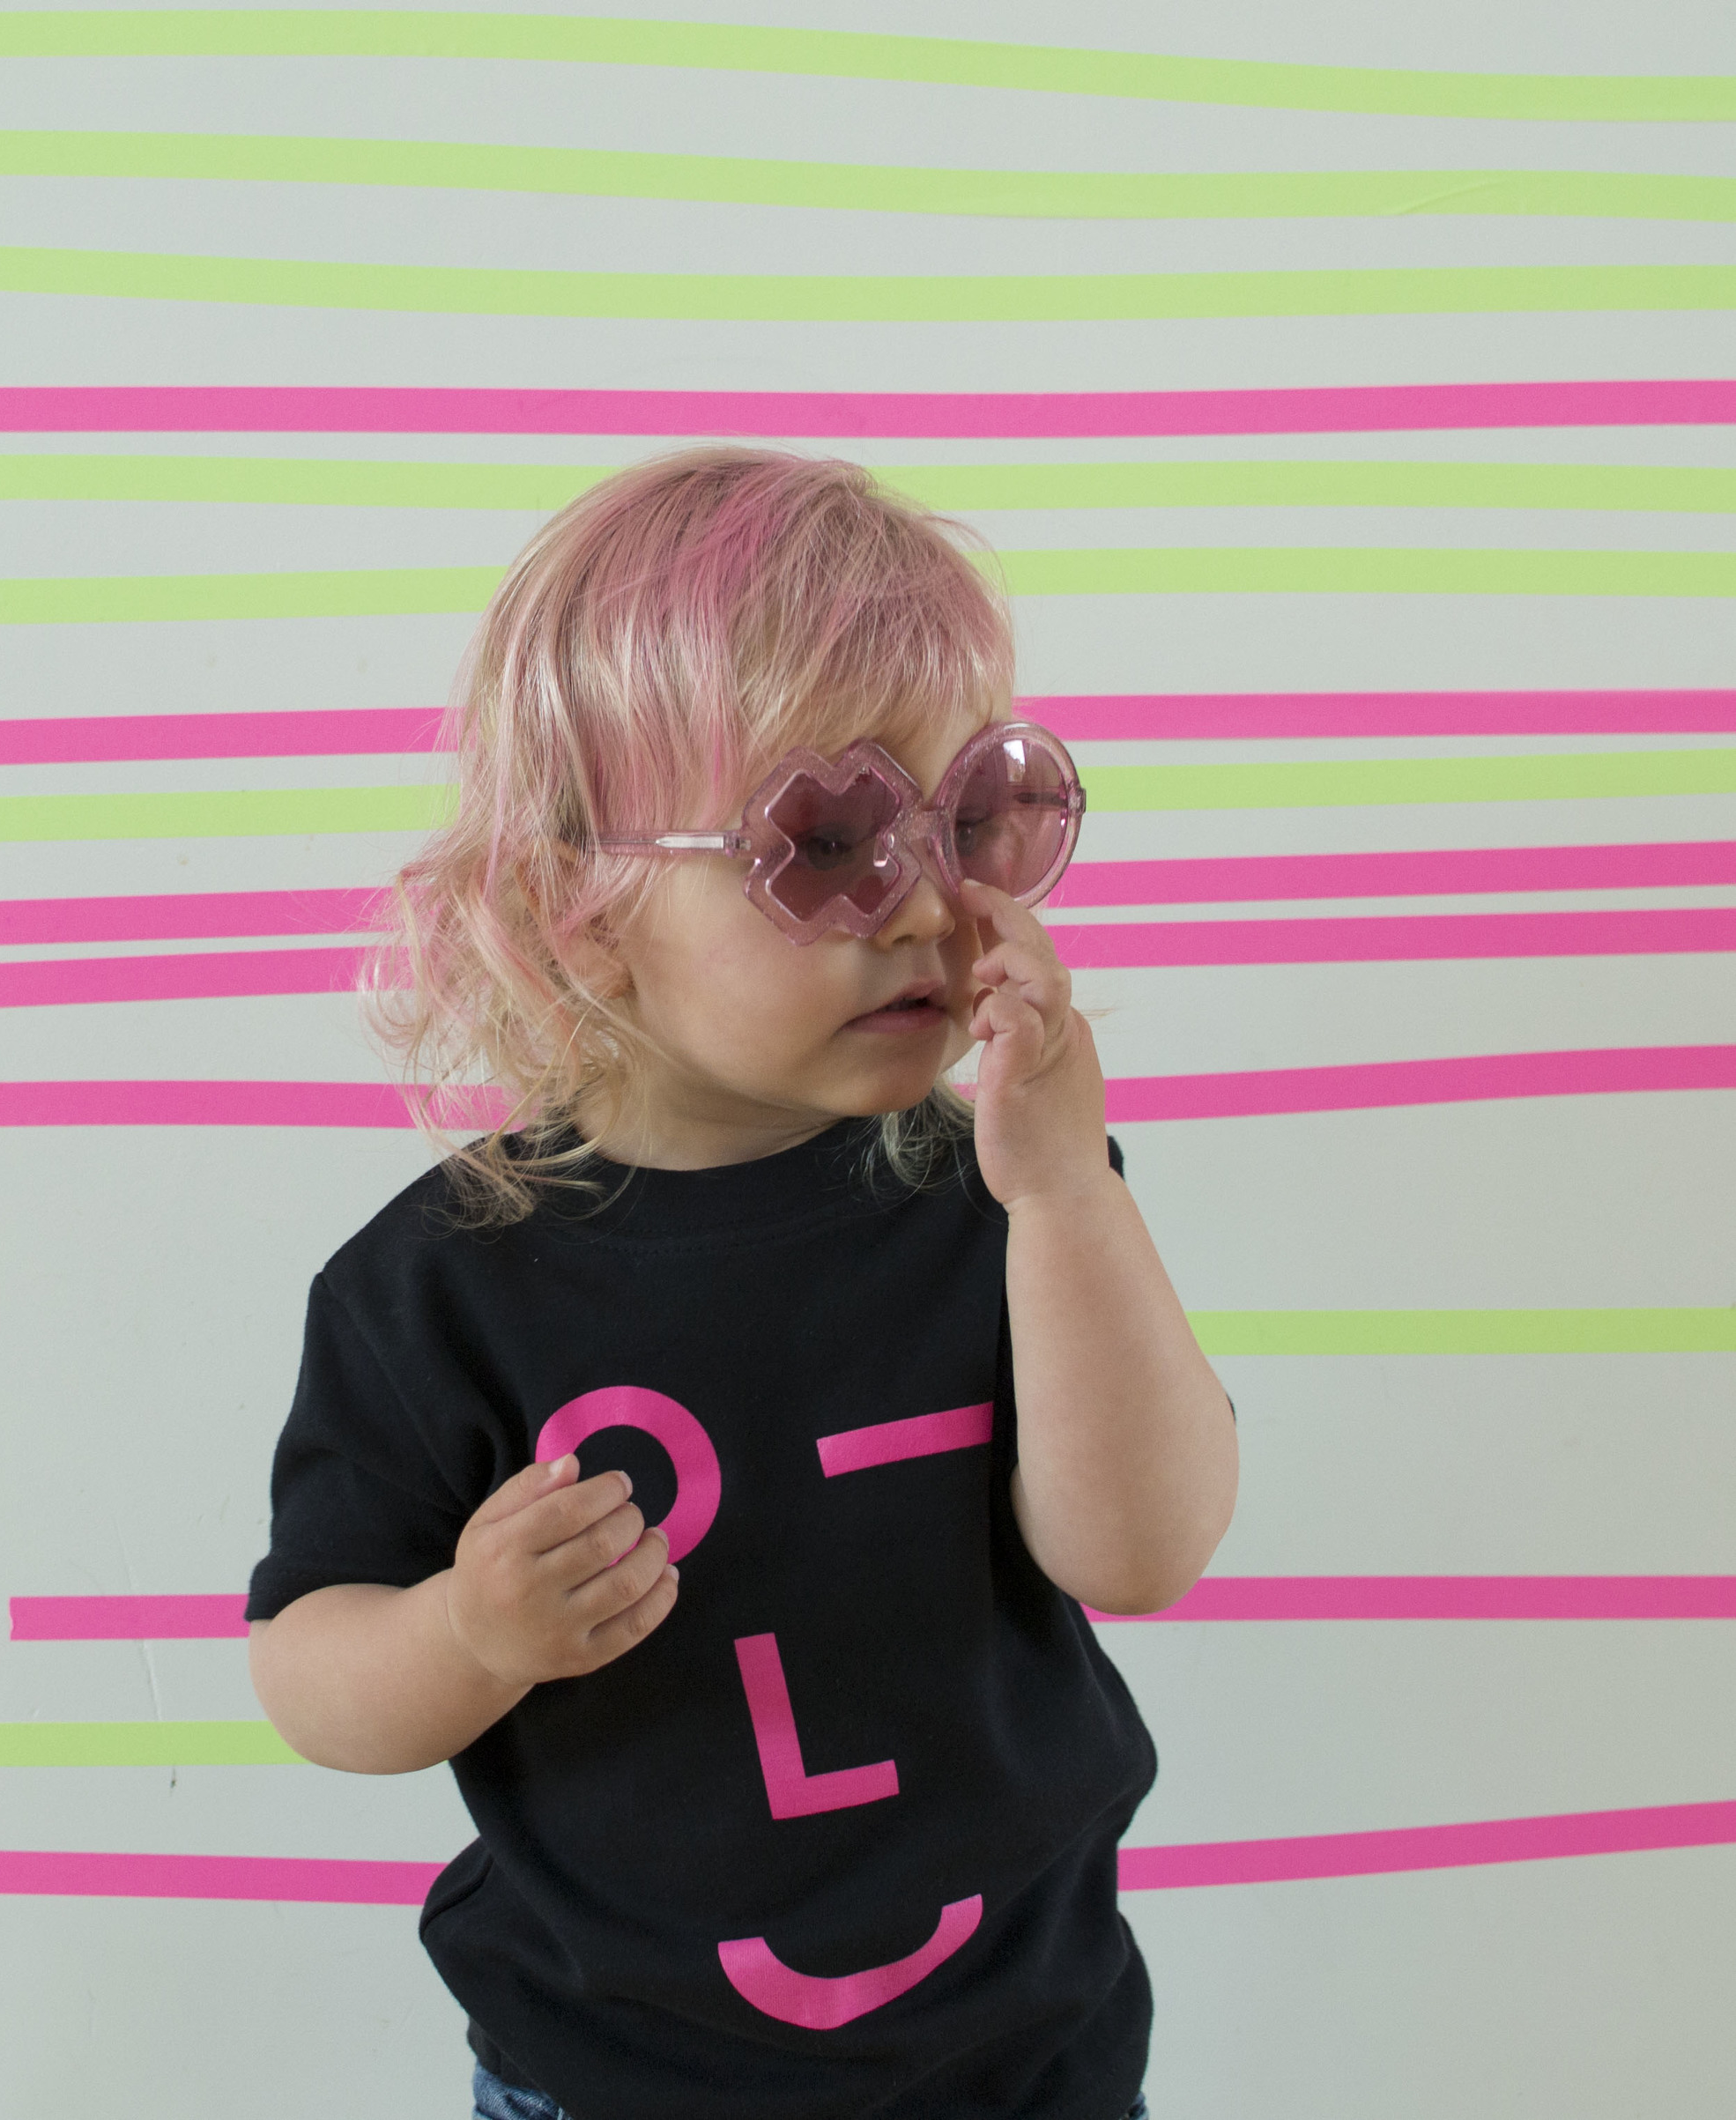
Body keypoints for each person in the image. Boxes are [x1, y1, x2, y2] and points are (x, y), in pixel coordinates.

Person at [246, 447, 1238, 2120]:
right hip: (610, 2079)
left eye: (974, 819)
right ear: (578, 907)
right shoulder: (438, 1290)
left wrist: (1067, 1193)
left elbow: (1144, 1551)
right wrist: (465, 1631)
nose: (926, 905)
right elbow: (307, 1668)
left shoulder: (1011, 1199)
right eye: (829, 839)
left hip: (1024, 2069)